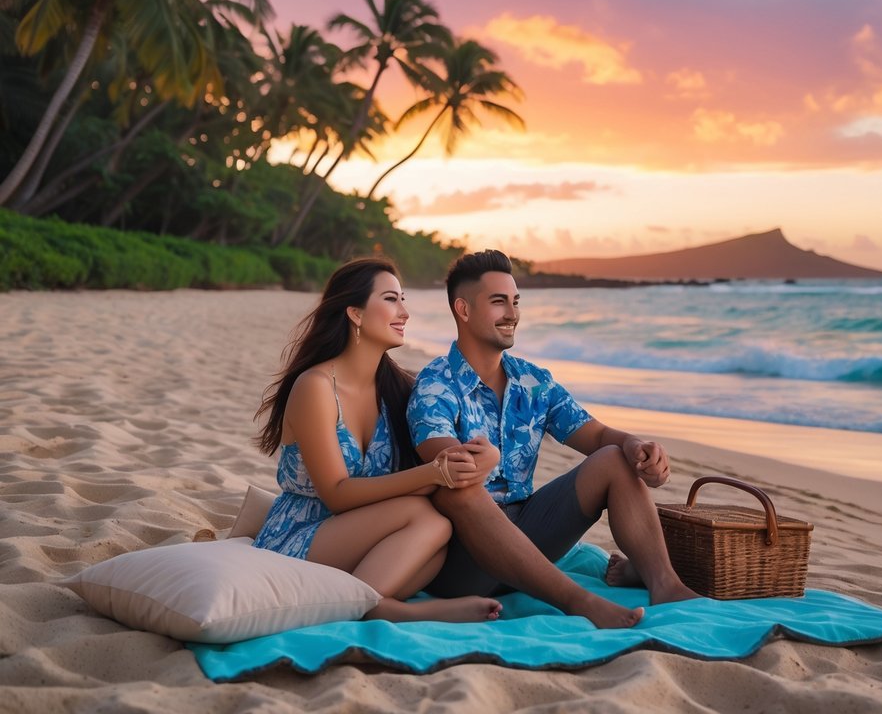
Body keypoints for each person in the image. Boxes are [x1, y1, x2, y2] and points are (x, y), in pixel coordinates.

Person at [407, 250, 698, 629]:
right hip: (463, 559)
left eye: (515, 302)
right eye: (498, 302)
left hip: (529, 534)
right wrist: (484, 459)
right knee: (458, 486)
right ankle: (579, 601)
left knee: (613, 457)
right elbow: (444, 463)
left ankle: (665, 584)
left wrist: (635, 446)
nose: (512, 313)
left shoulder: (533, 381)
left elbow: (595, 434)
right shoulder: (435, 384)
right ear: (463, 310)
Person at [252, 257, 502, 623]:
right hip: (301, 534)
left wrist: (487, 453)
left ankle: (367, 598)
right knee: (426, 519)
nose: (404, 312)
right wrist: (433, 473)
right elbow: (336, 493)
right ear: (354, 313)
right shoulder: (317, 387)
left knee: (438, 530)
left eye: (403, 299)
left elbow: (460, 428)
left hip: (366, 534)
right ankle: (376, 606)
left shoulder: (399, 388)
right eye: (391, 299)